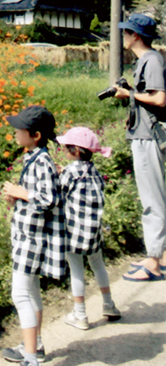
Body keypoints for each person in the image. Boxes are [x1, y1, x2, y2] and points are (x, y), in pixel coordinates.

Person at [1, 105, 65, 366]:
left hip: (32, 238)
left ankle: (32, 365)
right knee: (32, 291)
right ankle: (35, 346)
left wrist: (20, 192)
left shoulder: (42, 161)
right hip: (28, 235)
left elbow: (49, 198)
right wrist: (19, 197)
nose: (15, 132)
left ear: (36, 135)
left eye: (20, 129)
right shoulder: (34, 157)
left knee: (21, 295)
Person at [113, 14, 166, 282]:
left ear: (136, 36)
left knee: (152, 199)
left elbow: (159, 98)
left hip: (148, 137)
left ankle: (154, 262)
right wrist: (131, 92)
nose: (123, 36)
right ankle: (156, 255)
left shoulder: (152, 60)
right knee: (152, 196)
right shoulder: (146, 61)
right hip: (142, 134)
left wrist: (129, 94)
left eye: (126, 32)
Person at [56, 127, 121, 328]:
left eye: (66, 148)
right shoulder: (94, 171)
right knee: (98, 264)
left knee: (76, 270)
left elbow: (60, 191)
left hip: (73, 231)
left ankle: (80, 314)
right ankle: (108, 304)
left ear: (75, 151)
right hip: (93, 231)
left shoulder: (69, 172)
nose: (63, 150)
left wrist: (60, 173)